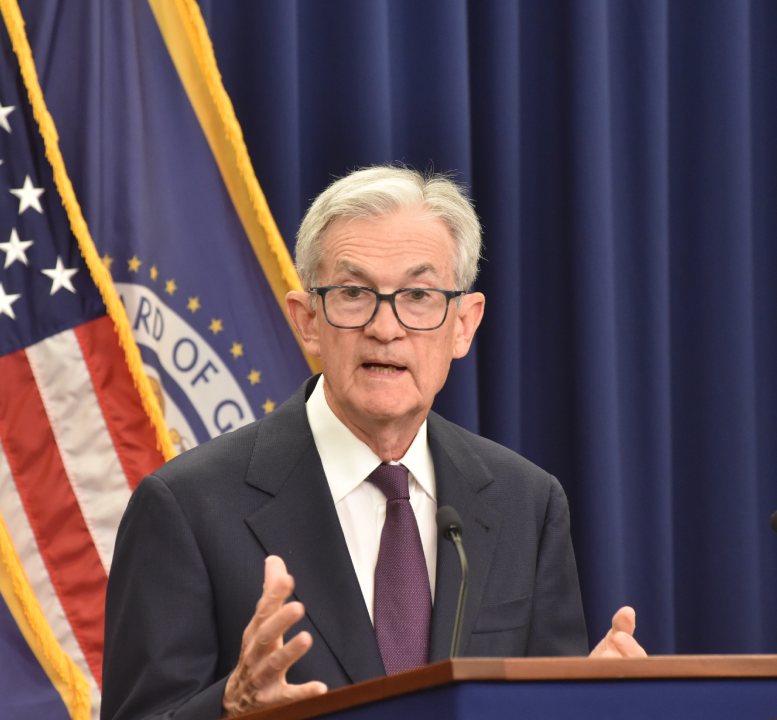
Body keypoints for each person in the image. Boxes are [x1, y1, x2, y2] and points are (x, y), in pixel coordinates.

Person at [101, 166, 646, 720]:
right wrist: (228, 706)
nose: (386, 328)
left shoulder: (525, 503)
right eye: (354, 293)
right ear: (307, 320)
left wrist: (591, 703)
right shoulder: (187, 508)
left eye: (418, 295)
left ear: (464, 323)